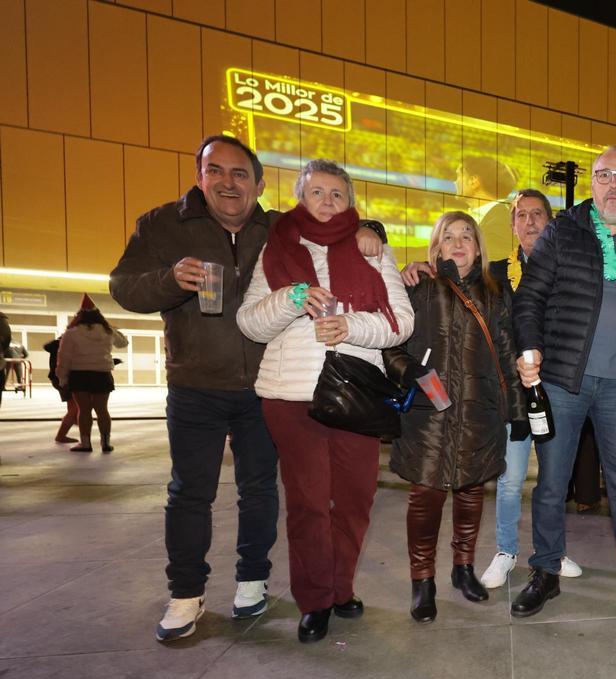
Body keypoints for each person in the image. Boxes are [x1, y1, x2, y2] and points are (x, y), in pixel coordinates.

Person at [110, 134, 383, 642]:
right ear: (200, 175)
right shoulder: (163, 225)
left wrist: (368, 227)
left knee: (261, 492)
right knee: (191, 491)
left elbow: (331, 225)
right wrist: (171, 279)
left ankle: (252, 581)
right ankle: (186, 594)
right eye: (216, 171)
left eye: (240, 174)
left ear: (259, 184)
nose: (228, 182)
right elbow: (123, 286)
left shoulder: (279, 229)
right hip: (197, 381)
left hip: (260, 387)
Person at [237, 159, 413, 643]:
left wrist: (352, 324)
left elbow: (401, 321)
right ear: (301, 196)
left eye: (337, 194)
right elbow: (250, 323)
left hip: (355, 392)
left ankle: (341, 588)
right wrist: (293, 298)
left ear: (350, 202)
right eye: (317, 192)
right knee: (309, 503)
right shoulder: (276, 249)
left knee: (355, 501)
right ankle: (315, 600)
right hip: (292, 396)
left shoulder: (373, 249)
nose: (328, 201)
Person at [509, 145, 616, 619]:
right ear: (592, 184)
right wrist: (528, 349)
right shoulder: (563, 232)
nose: (615, 185)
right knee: (552, 482)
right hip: (562, 379)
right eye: (605, 175)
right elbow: (529, 300)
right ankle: (545, 571)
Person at [383, 211, 523, 624]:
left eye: (466, 236)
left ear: (478, 248)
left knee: (470, 492)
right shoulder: (419, 287)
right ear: (436, 247)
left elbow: (507, 355)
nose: (458, 243)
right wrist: (412, 373)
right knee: (425, 497)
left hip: (480, 414)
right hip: (428, 415)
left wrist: (514, 410)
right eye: (449, 237)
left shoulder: (494, 293)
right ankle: (422, 581)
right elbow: (391, 347)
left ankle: (463, 569)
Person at [477, 189, 584, 588]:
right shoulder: (497, 274)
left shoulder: (570, 273)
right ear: (512, 225)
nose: (530, 222)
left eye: (538, 214)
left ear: (551, 221)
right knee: (510, 480)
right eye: (521, 215)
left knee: (554, 479)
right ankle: (506, 550)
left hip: (558, 389)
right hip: (513, 395)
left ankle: (551, 551)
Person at [54, 304, 127, 453]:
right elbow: (123, 343)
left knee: (84, 410)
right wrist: (111, 327)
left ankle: (85, 444)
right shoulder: (108, 331)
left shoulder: (71, 333)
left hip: (79, 374)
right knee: (102, 410)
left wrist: (62, 377)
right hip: (102, 374)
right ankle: (106, 443)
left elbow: (64, 357)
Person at [458, 155, 520, 261]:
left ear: (473, 181)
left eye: (459, 176)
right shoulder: (494, 218)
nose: (455, 182)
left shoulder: (502, 222)